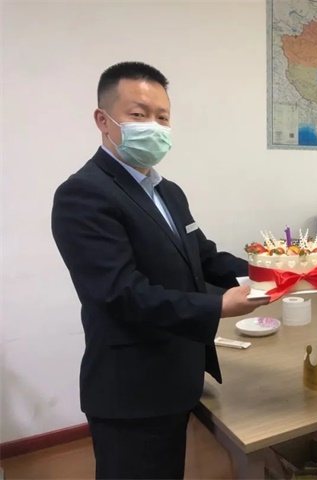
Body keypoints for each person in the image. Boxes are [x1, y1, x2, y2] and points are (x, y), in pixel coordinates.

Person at [51, 61, 268, 479]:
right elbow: (121, 293)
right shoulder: (83, 194)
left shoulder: (168, 192)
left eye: (162, 117)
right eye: (139, 114)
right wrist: (218, 306)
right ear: (103, 120)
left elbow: (204, 258)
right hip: (130, 389)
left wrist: (271, 272)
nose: (153, 126)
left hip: (176, 375)